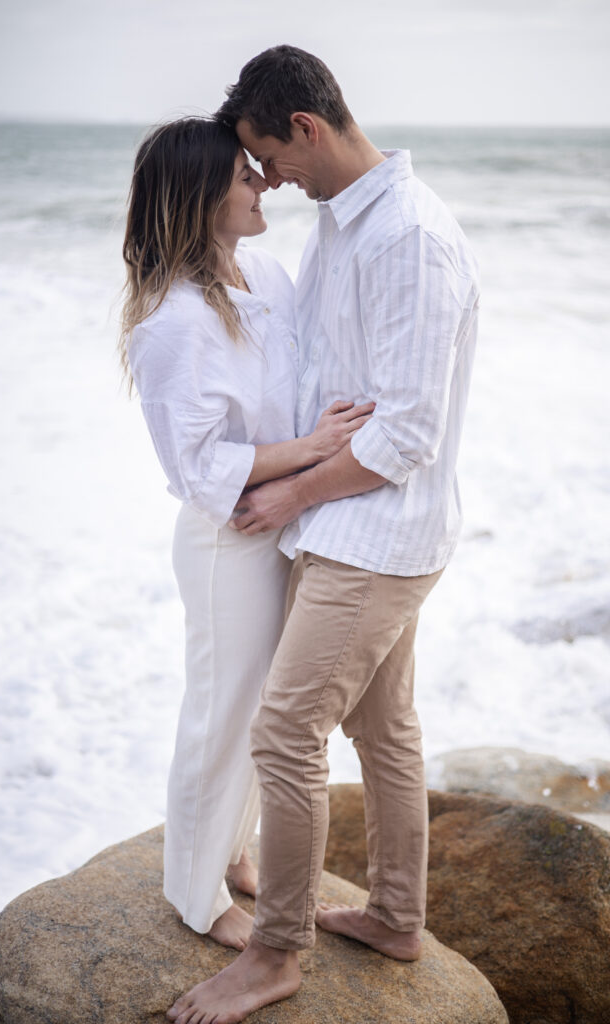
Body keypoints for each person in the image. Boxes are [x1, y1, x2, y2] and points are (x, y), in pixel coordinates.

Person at [166, 47, 479, 1024]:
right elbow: (322, 381)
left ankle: (272, 955)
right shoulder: (343, 230)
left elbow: (406, 434)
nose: (269, 181)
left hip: (374, 532)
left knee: (283, 730)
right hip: (350, 523)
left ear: (305, 127)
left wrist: (292, 495)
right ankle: (393, 915)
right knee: (380, 727)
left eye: (270, 159)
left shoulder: (408, 237)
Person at [119, 117, 374, 953]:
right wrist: (308, 451)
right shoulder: (171, 325)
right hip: (229, 536)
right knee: (222, 713)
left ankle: (229, 853)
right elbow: (195, 468)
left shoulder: (262, 272)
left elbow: (308, 373)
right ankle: (193, 893)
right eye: (243, 175)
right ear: (199, 197)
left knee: (267, 708)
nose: (263, 183)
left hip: (285, 521)